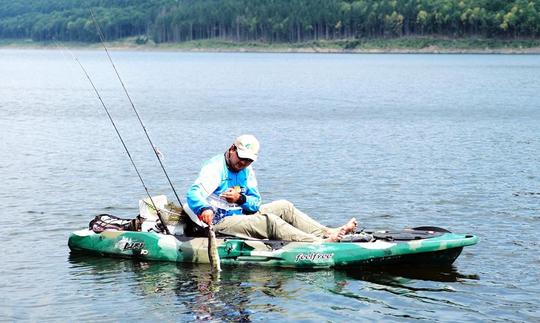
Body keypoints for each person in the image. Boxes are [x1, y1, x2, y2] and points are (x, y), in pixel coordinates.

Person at [186, 134, 357, 242]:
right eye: (241, 158)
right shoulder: (215, 168)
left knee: (284, 206)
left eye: (248, 160)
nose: (243, 164)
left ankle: (327, 232)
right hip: (218, 220)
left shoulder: (246, 170)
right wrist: (204, 208)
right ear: (232, 149)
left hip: (239, 214)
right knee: (269, 221)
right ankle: (317, 242)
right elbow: (194, 193)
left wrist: (241, 199)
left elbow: (255, 202)